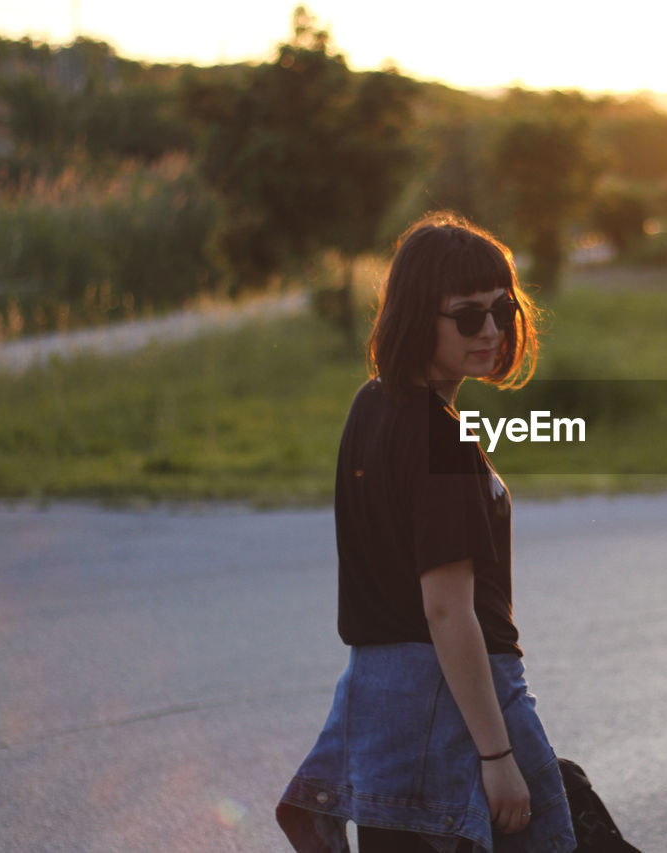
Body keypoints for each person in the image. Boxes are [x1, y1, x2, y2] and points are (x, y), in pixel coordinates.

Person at [277, 212, 576, 853]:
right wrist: (496, 757)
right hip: (458, 700)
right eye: (467, 316)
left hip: (382, 711)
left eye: (503, 311)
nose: (492, 331)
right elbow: (446, 612)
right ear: (418, 317)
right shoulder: (441, 435)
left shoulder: (372, 405)